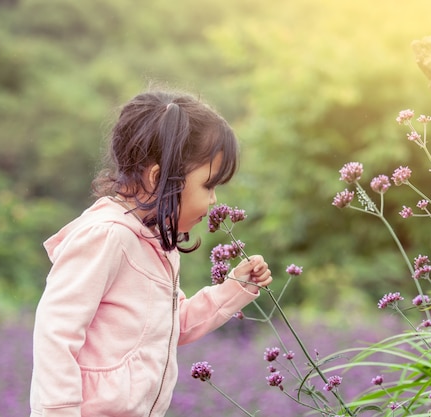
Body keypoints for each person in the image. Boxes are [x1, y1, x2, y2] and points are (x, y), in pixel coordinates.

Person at [29, 88, 272, 417]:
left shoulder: (155, 242)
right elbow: (56, 333)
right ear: (158, 177)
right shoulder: (106, 236)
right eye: (208, 185)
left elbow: (173, 326)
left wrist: (233, 288)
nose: (214, 199)